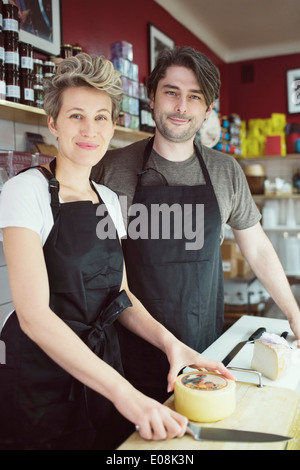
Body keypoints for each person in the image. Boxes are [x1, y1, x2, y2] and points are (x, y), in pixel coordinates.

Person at [0, 53, 234, 450]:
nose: (89, 129)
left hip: (104, 371)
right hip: (42, 382)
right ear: (53, 122)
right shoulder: (25, 192)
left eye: (101, 117)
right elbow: (34, 317)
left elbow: (120, 297)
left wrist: (171, 344)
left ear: (114, 126)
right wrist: (127, 394)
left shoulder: (108, 198)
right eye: (76, 116)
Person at [91, 46, 300, 404]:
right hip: (124, 357)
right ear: (151, 96)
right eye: (171, 92)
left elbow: (258, 247)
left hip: (204, 352)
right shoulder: (109, 169)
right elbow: (97, 267)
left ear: (207, 109)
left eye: (194, 97)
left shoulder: (226, 171)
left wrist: (295, 314)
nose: (181, 107)